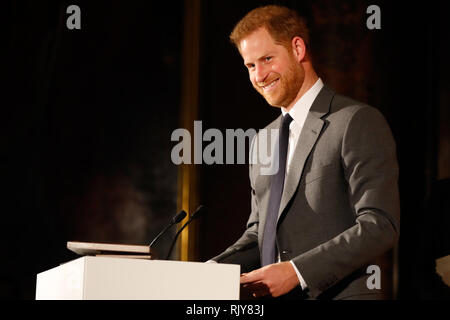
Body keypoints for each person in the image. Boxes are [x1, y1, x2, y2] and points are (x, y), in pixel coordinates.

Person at [209, 5, 400, 300]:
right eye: (250, 66)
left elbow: (380, 224)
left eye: (267, 59)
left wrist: (296, 271)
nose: (259, 76)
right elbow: (259, 234)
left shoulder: (355, 120)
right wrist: (209, 272)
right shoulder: (262, 140)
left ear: (297, 48)